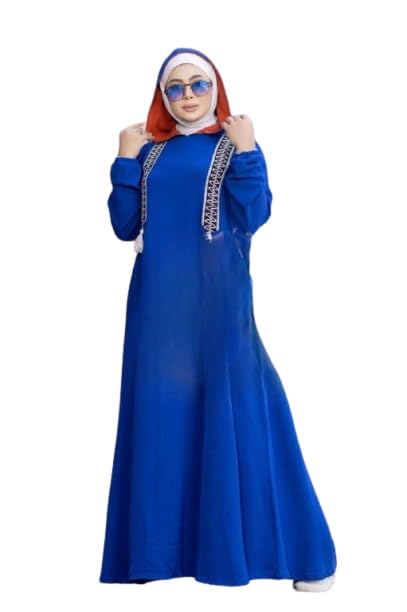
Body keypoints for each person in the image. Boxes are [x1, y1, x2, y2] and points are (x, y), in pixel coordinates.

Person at [99, 47, 337, 591]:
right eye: (175, 87)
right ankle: (154, 555)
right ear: (163, 96)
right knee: (161, 418)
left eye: (199, 84)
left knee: (249, 413)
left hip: (220, 307)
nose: (188, 96)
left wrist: (249, 151)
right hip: (157, 311)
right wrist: (125, 161)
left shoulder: (234, 144)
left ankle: (308, 556)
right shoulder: (150, 152)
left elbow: (253, 215)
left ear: (216, 88)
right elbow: (124, 225)